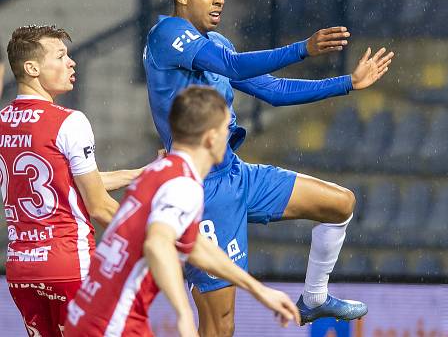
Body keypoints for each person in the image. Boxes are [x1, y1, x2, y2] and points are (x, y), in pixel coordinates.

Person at [143, 0, 393, 334]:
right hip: (200, 190)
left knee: (340, 204)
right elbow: (233, 66)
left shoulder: (217, 44)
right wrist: (302, 50)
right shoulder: (166, 36)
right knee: (220, 325)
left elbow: (273, 91)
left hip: (236, 173)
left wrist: (347, 83)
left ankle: (315, 298)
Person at [64, 86, 300, 337]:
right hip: (113, 325)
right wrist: (184, 314)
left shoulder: (160, 171)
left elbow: (196, 246)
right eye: (226, 129)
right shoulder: (183, 184)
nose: (230, 135)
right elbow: (157, 244)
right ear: (211, 138)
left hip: (90, 314)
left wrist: (259, 291)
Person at [1, 25, 141, 337]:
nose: (71, 62)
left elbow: (63, 183)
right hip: (69, 265)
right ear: (33, 68)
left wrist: (139, 173)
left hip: (21, 269)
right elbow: (100, 206)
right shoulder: (69, 121)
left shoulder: (2, 122)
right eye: (61, 55)